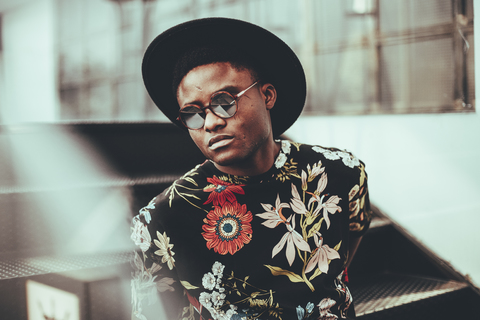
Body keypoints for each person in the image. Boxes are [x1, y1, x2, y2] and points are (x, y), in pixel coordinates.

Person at [131, 18, 371, 320]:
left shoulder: (339, 173)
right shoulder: (162, 219)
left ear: (267, 95)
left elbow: (345, 255)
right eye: (193, 114)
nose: (211, 122)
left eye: (224, 101)